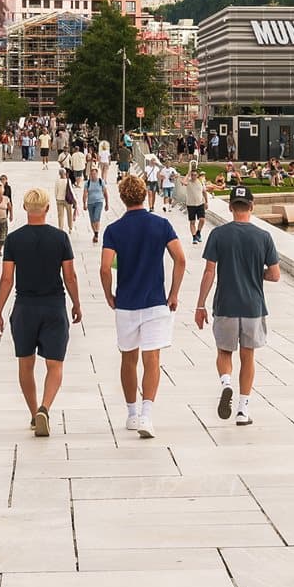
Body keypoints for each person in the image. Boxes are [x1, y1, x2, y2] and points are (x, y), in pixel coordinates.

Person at [99, 173, 185, 438]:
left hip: (126, 302)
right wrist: (173, 293)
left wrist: (108, 294)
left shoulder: (113, 230)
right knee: (152, 359)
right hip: (155, 301)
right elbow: (180, 259)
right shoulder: (161, 225)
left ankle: (132, 413)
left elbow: (104, 268)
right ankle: (147, 415)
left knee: (128, 358)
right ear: (145, 195)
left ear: (123, 198)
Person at [0, 189, 82, 437]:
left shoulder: (14, 240)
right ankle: (45, 407)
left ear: (24, 208)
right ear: (47, 208)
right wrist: (76, 303)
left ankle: (34, 414)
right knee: (55, 364)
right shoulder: (60, 238)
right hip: (53, 305)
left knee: (26, 363)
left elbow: (6, 279)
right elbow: (70, 276)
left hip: (24, 307)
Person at [194, 185, 280, 427]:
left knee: (224, 352)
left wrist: (200, 306)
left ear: (231, 207)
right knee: (248, 356)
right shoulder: (263, 237)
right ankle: (242, 410)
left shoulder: (218, 235)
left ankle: (226, 384)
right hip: (253, 306)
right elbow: (275, 275)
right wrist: (256, 272)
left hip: (226, 304)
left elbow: (209, 272)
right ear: (251, 207)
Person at [176, 163, 208, 246]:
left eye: (195, 175)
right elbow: (183, 182)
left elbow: (204, 192)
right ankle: (194, 236)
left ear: (197, 175)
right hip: (191, 205)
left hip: (200, 203)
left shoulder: (200, 182)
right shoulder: (188, 182)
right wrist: (188, 173)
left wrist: (206, 202)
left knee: (202, 220)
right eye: (192, 175)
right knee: (192, 222)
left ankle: (198, 232)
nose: (193, 176)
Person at [81, 169, 108, 243]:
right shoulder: (88, 183)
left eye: (94, 174)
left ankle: (96, 233)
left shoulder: (100, 181)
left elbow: (105, 192)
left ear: (97, 174)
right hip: (90, 203)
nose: (93, 175)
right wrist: (84, 203)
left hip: (99, 202)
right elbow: (85, 194)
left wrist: (107, 203)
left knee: (96, 217)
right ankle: (95, 233)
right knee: (92, 220)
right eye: (92, 174)